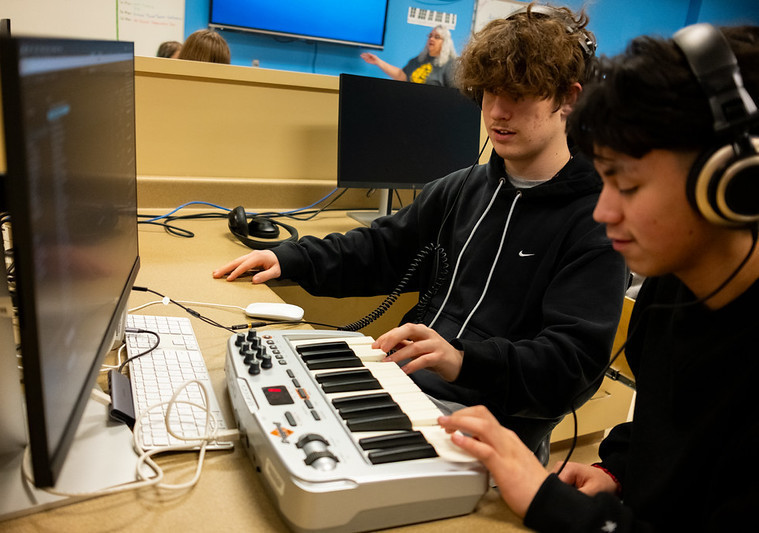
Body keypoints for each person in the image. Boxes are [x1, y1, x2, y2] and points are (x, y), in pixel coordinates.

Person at [213, 3, 628, 463]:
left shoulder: (598, 221)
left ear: (568, 98)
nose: (497, 111)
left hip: (493, 429)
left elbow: (571, 363)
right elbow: (380, 248)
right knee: (261, 425)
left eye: (519, 94)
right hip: (405, 388)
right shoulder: (463, 188)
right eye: (490, 92)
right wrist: (290, 258)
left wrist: (463, 360)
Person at [438, 23, 759, 531]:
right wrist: (617, 471)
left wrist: (549, 501)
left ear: (735, 184)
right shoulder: (673, 288)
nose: (604, 213)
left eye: (627, 185)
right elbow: (663, 432)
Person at [360, 25, 458, 86]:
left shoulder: (450, 65)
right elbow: (401, 76)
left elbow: (454, 93)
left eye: (437, 37)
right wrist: (378, 62)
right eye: (430, 36)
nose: (431, 39)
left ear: (445, 42)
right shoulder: (419, 60)